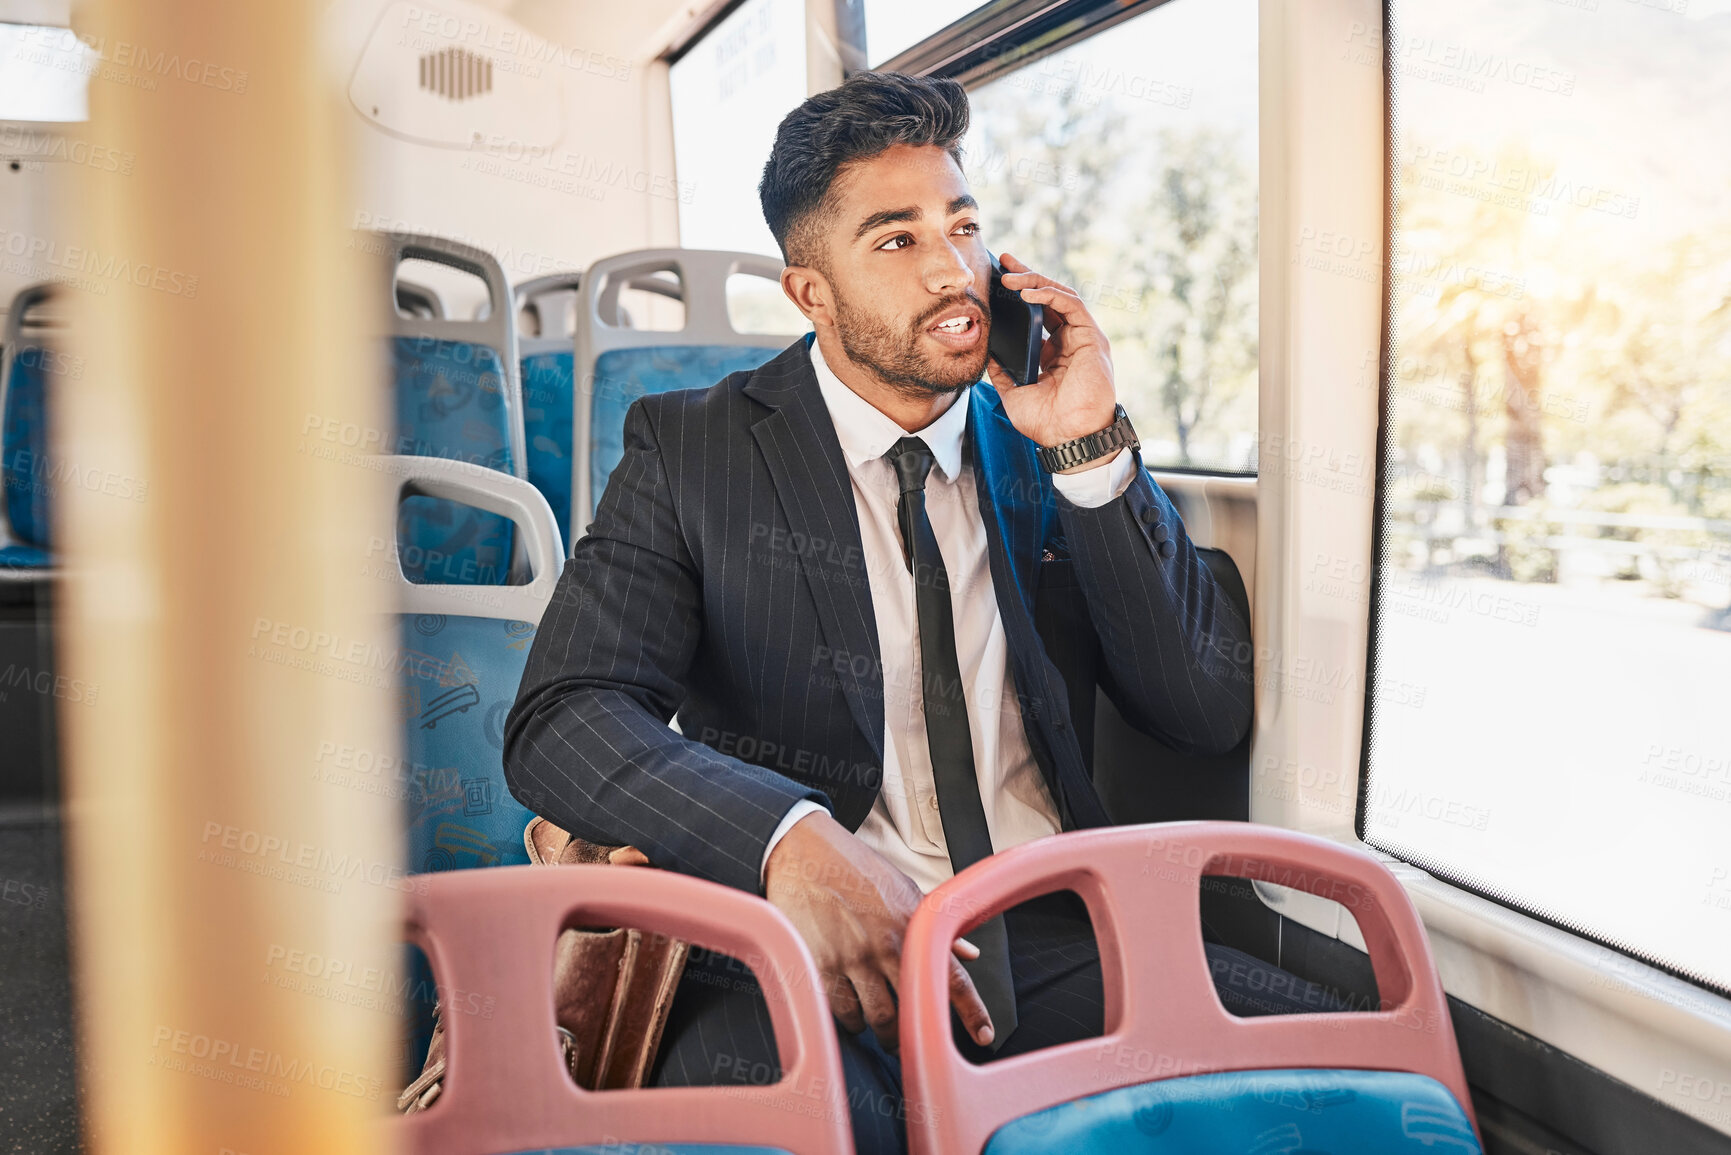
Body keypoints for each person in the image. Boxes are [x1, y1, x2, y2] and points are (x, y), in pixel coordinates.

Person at [505, 70, 1332, 1155]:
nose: (954, 270)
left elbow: (1200, 711)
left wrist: (1087, 444)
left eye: (964, 225)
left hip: (1052, 925)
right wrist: (788, 841)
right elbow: (563, 716)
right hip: (802, 941)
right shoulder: (694, 448)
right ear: (812, 294)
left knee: (1327, 1075)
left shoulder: (1044, 442)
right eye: (896, 241)